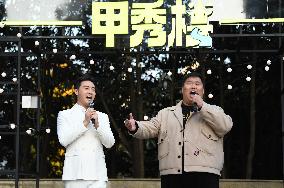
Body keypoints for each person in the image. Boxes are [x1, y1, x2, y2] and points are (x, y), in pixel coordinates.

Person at [124, 72, 233, 188]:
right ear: (182, 89)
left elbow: (225, 126)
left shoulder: (215, 111)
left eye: (197, 84)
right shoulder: (166, 113)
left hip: (205, 174)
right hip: (172, 174)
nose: (193, 86)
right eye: (189, 83)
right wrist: (136, 126)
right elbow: (151, 127)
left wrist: (202, 105)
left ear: (203, 90)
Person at [57, 74, 115, 188]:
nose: (90, 92)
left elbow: (110, 143)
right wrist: (85, 122)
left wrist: (97, 125)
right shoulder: (65, 115)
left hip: (98, 174)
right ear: (76, 91)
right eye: (86, 88)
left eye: (93, 89)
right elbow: (63, 140)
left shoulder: (102, 116)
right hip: (75, 173)